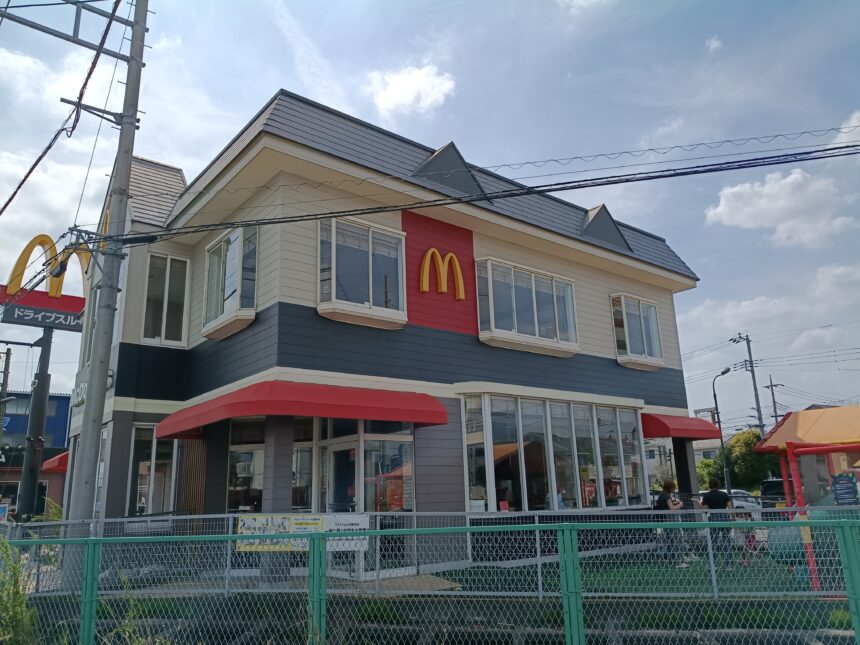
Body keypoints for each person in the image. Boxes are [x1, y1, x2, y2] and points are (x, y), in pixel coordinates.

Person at [654, 480, 690, 568]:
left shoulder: (661, 495)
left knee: (670, 541)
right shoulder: (667, 496)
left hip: (664, 520)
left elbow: (667, 505)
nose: (674, 489)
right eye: (673, 487)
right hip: (671, 519)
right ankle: (678, 562)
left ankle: (671, 561)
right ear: (670, 487)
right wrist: (680, 505)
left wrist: (675, 503)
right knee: (677, 540)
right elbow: (672, 509)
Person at [701, 478, 734, 570]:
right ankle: (729, 565)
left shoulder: (706, 495)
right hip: (725, 517)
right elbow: (730, 507)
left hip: (713, 518)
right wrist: (734, 517)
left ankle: (713, 564)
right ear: (718, 485)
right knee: (727, 541)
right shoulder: (724, 494)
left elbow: (704, 509)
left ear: (709, 485)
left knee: (712, 542)